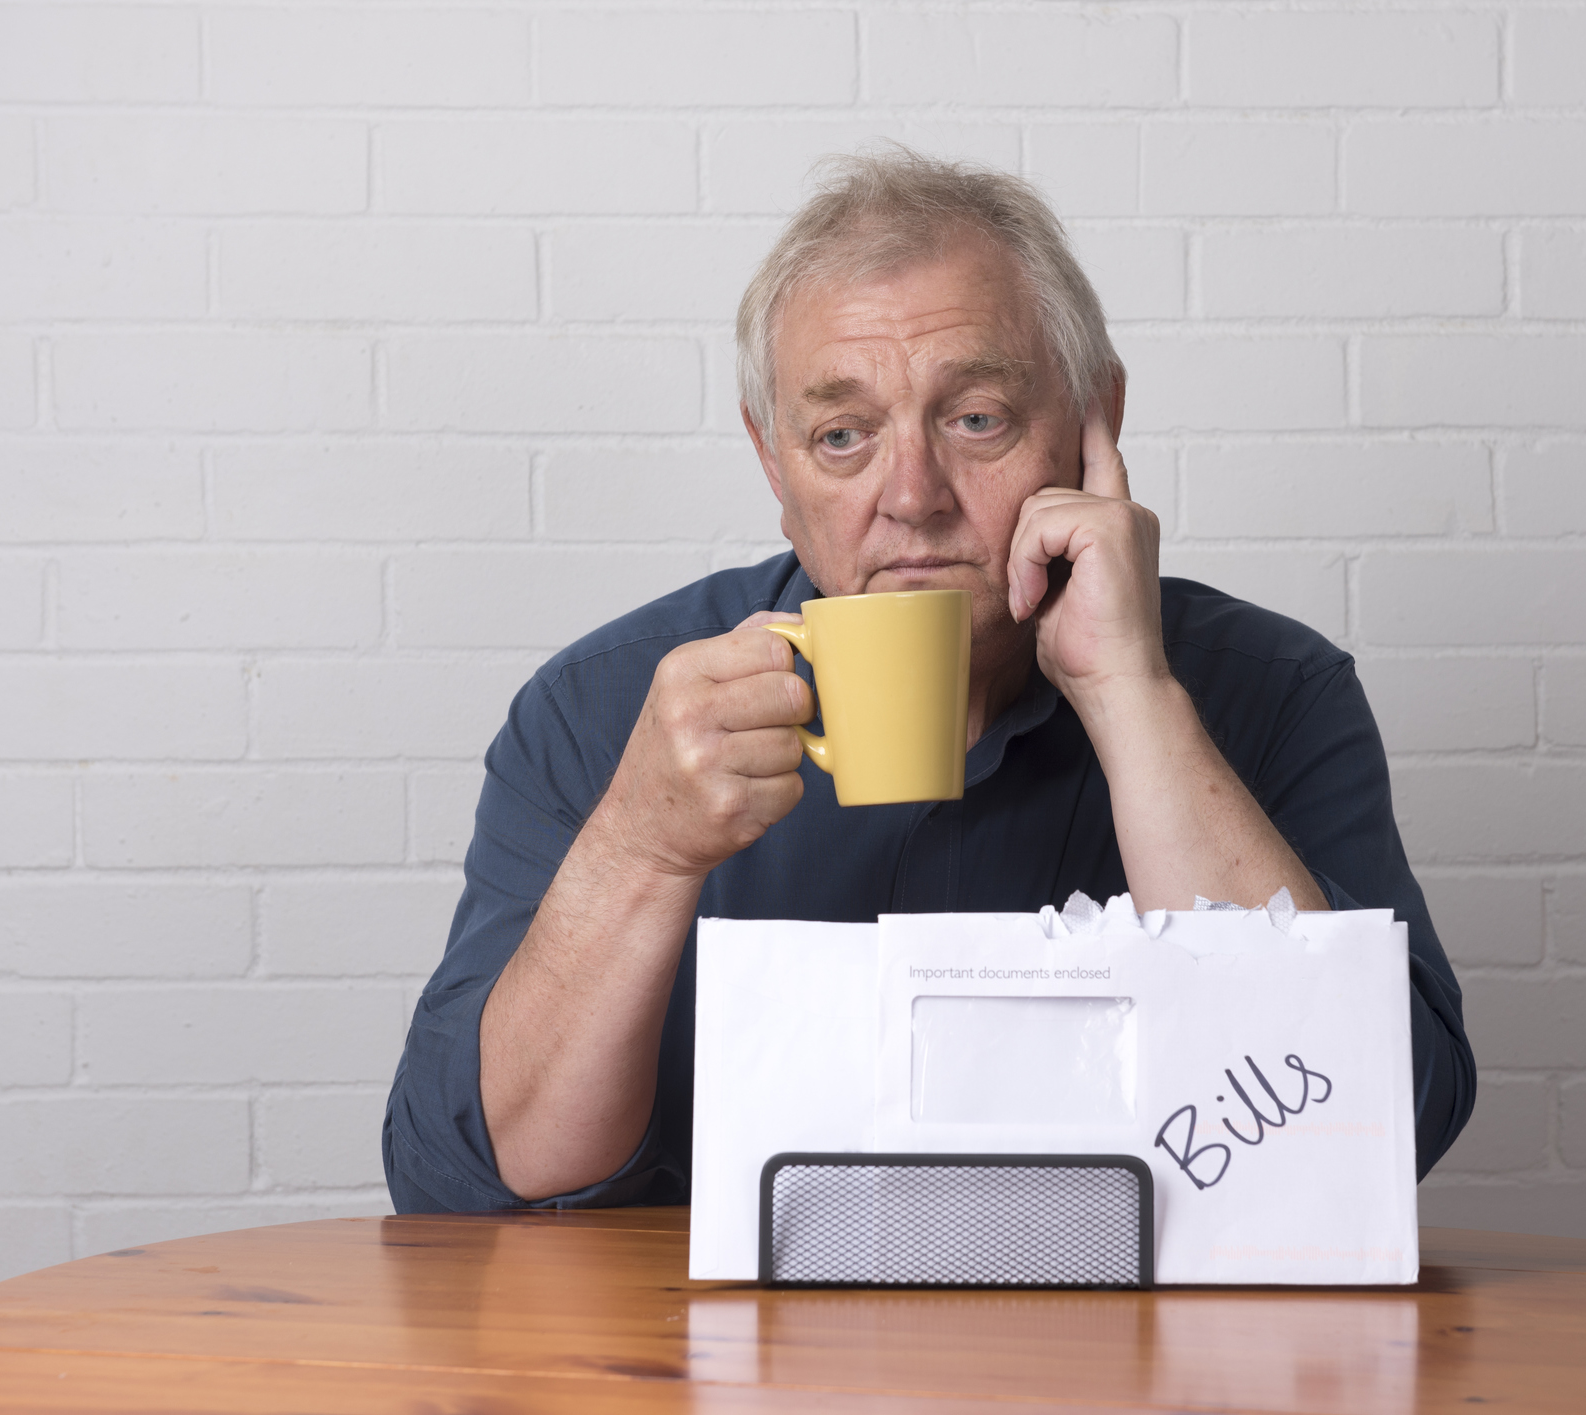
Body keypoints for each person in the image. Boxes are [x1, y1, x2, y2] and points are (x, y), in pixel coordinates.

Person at [384, 148, 1473, 1212]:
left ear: (1096, 422)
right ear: (774, 461)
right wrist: (641, 845)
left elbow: (1374, 1129)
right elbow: (468, 1176)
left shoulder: (1269, 692)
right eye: (842, 434)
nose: (911, 495)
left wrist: (1130, 696)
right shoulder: (606, 711)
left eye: (974, 419)